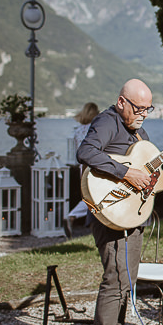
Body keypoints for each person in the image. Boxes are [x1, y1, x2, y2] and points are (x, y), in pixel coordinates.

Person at [77, 79, 163, 325]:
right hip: (109, 214)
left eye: (148, 109)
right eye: (139, 108)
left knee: (127, 281)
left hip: (132, 216)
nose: (143, 114)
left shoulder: (138, 130)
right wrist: (126, 172)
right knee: (114, 281)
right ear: (121, 101)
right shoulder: (107, 122)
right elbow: (86, 152)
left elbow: (151, 176)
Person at [65, 102, 99, 237]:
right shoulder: (95, 128)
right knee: (95, 197)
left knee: (88, 196)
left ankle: (85, 222)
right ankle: (74, 216)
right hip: (94, 166)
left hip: (82, 167)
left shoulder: (77, 131)